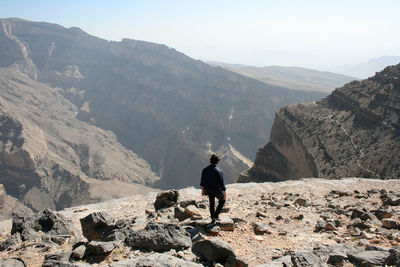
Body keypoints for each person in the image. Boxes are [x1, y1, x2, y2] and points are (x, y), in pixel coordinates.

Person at [200, 154, 226, 222]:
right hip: (216, 190)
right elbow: (221, 184)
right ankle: (216, 215)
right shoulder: (219, 171)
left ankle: (212, 217)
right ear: (217, 162)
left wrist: (203, 190)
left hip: (208, 190)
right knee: (222, 200)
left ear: (210, 160)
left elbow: (202, 181)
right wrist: (224, 193)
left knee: (212, 203)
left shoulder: (205, 170)